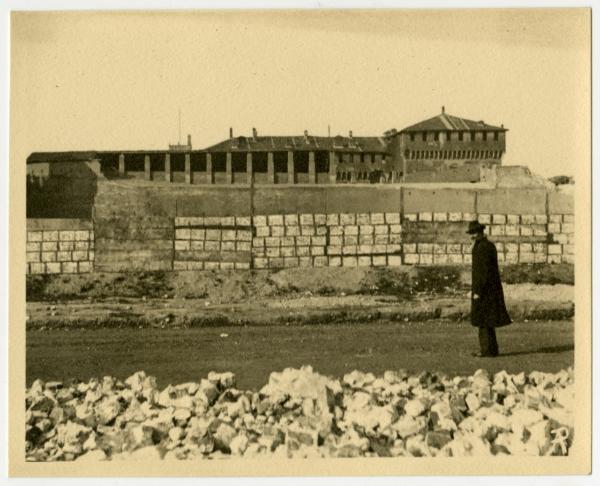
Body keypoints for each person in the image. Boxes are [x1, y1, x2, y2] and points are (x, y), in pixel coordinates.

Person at [467, 220, 512, 357]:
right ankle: (492, 350)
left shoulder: (481, 248)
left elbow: (483, 272)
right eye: (471, 234)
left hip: (484, 290)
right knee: (489, 321)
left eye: (474, 233)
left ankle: (486, 350)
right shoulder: (488, 246)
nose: (472, 236)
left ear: (480, 233)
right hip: (491, 289)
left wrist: (477, 292)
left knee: (483, 321)